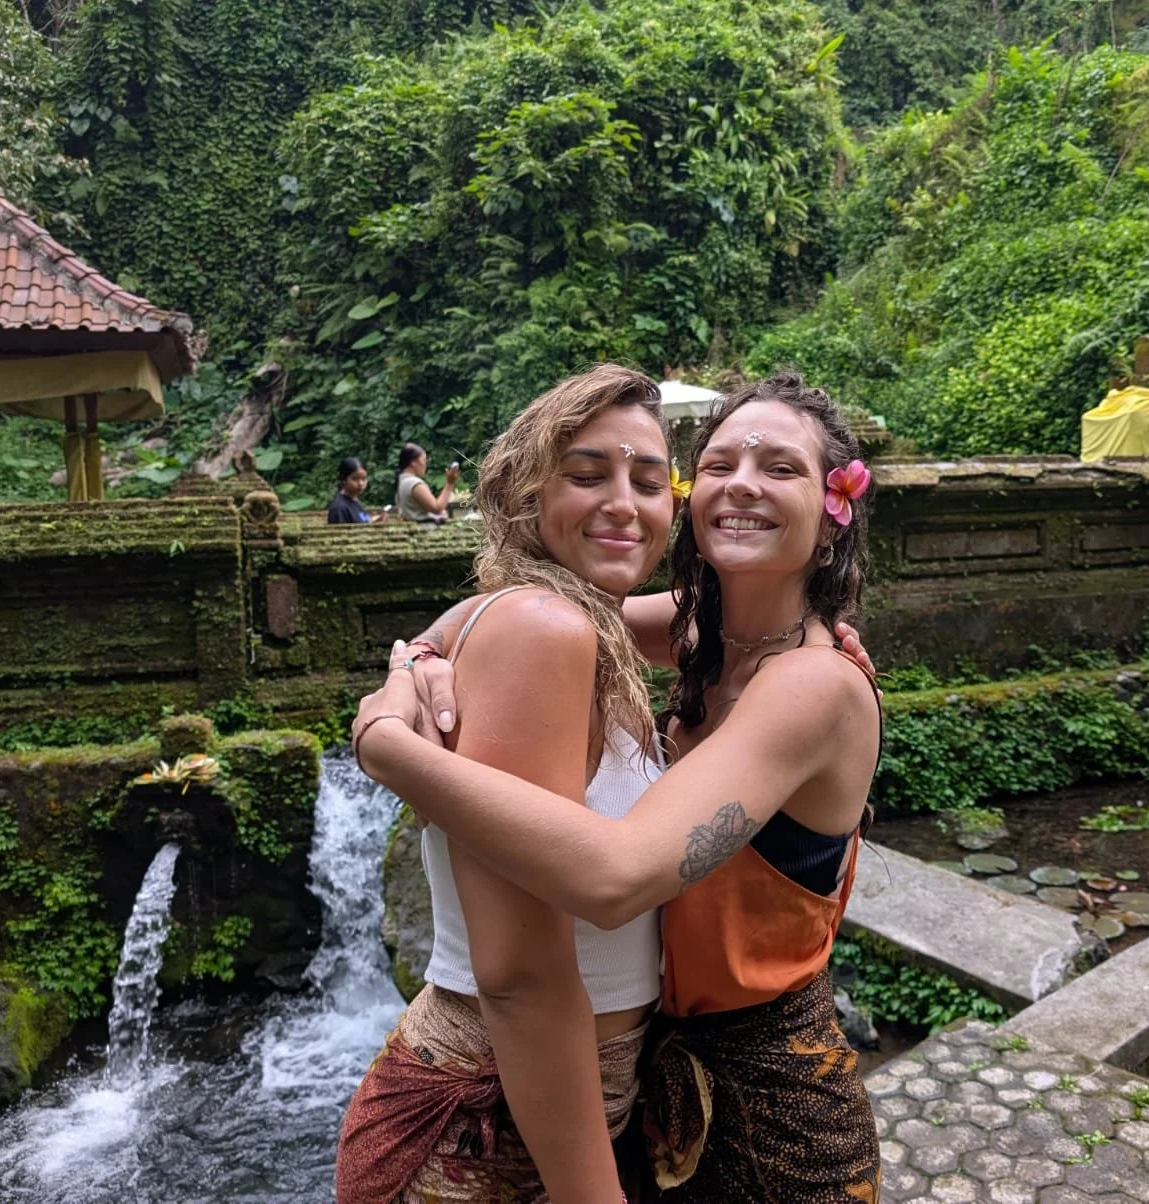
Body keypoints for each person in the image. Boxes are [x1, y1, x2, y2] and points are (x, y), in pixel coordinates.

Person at [352, 371, 883, 1202]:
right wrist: (412, 659)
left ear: (832, 516)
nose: (742, 481)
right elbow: (509, 609)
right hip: (648, 1087)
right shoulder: (696, 634)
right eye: (718, 463)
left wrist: (388, 748)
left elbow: (614, 877)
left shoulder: (813, 685)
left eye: (779, 467)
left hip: (771, 1102)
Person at [336, 364, 677, 1203]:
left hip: (537, 1108)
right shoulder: (543, 628)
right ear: (524, 493)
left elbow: (735, 625)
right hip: (482, 1128)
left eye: (649, 479)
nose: (625, 504)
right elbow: (520, 974)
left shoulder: (581, 620)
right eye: (587, 474)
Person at [396, 442, 462, 522]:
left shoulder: (402, 480)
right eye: (423, 460)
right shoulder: (415, 484)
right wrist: (450, 483)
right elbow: (437, 508)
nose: (425, 464)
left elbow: (414, 512)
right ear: (413, 462)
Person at [327, 457, 384, 524]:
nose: (361, 483)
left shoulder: (355, 500)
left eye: (364, 478)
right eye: (355, 479)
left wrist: (374, 520)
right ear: (343, 480)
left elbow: (360, 522)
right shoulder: (339, 508)